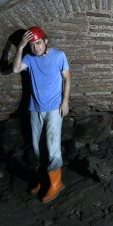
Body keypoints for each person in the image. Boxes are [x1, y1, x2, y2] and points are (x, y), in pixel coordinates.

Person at [12, 26, 71, 203]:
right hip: (35, 108)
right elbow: (15, 69)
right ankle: (44, 179)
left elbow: (67, 78)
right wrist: (20, 47)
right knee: (38, 147)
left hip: (54, 108)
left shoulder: (59, 55)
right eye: (32, 45)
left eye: (38, 43)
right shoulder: (29, 57)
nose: (36, 47)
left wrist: (65, 101)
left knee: (52, 146)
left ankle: (56, 183)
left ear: (46, 41)